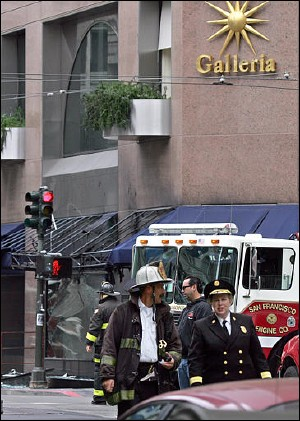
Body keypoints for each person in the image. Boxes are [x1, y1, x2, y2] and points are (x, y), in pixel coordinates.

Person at [99, 263, 182, 418]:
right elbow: (109, 346)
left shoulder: (165, 315)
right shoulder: (122, 313)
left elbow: (176, 346)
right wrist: (108, 376)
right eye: (160, 287)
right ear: (149, 289)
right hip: (131, 380)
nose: (163, 291)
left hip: (158, 380)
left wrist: (173, 359)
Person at [189, 278, 272, 386]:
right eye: (216, 300)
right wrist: (196, 385)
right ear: (211, 303)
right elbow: (196, 359)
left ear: (230, 301)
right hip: (215, 385)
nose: (220, 304)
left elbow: (257, 354)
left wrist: (266, 379)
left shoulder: (245, 322)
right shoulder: (201, 326)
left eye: (223, 299)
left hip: (244, 385)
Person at [85, 281, 121, 405]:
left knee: (99, 369)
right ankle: (116, 396)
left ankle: (99, 397)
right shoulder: (121, 306)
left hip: (103, 345)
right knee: (116, 368)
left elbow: (94, 327)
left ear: (103, 294)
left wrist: (89, 342)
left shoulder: (101, 308)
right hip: (119, 345)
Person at [177, 276, 213, 389]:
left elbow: (204, 335)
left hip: (194, 361)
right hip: (182, 359)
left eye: (184, 288)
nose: (182, 291)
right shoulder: (186, 309)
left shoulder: (204, 308)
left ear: (194, 287)